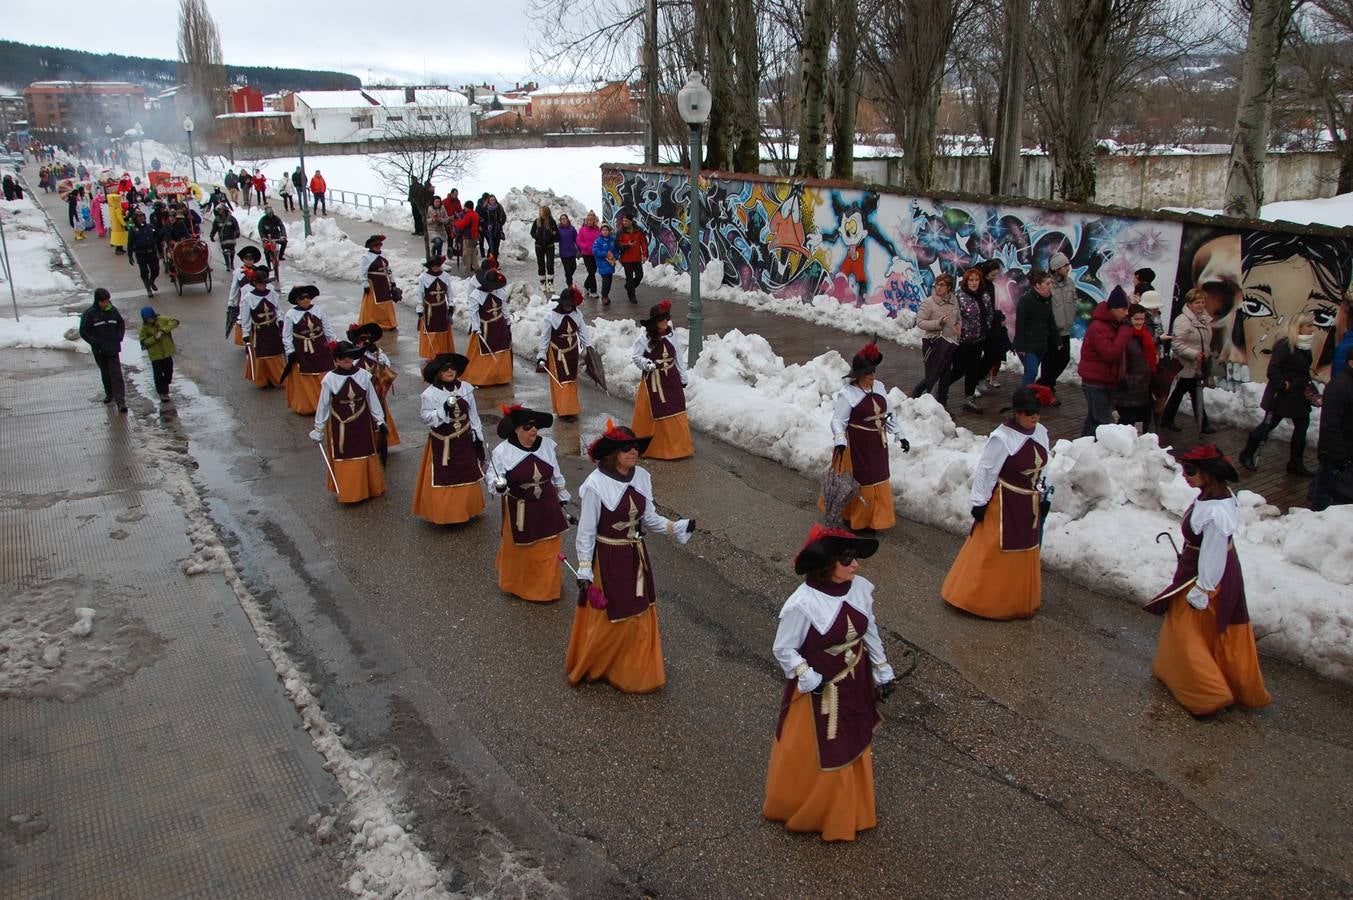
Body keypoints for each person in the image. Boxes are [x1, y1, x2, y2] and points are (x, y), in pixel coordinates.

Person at [763, 525, 897, 842]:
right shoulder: (802, 604)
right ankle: (820, 813)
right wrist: (809, 677)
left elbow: (869, 630)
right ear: (827, 564)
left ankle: (852, 809)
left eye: (855, 559)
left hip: (855, 682)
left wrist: (882, 669)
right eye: (848, 560)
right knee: (826, 750)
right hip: (820, 693)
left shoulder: (859, 588)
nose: (856, 565)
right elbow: (783, 648)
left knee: (854, 742)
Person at [566, 420, 695, 693]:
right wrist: (585, 567)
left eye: (635, 447)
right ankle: (600, 665)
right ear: (613, 454)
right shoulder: (595, 485)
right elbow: (586, 531)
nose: (633, 452)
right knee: (614, 615)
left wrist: (674, 527)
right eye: (626, 449)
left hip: (636, 556)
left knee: (640, 611)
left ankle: (635, 671)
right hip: (608, 557)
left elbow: (648, 517)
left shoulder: (641, 477)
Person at [1144, 445, 1271, 716]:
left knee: (1186, 629)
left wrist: (1203, 589)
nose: (1185, 475)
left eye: (1191, 471)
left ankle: (1207, 694)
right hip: (1206, 567)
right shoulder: (1217, 497)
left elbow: (1213, 552)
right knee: (1205, 630)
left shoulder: (1216, 514)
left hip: (1206, 575)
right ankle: (1204, 680)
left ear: (1210, 474)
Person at [941, 386, 1052, 619]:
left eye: (1037, 412)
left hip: (1028, 504)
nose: (1034, 417)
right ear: (1017, 413)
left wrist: (1045, 495)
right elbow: (987, 470)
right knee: (994, 548)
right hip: (1004, 502)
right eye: (1029, 412)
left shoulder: (1040, 431)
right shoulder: (1002, 438)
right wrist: (979, 502)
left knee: (1024, 549)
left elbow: (1044, 468)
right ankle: (979, 600)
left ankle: (1016, 601)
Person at [488, 405, 571, 602]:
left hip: (547, 503)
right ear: (516, 429)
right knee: (525, 552)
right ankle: (522, 587)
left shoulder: (547, 445)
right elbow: (493, 478)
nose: (533, 430)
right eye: (527, 426)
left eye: (535, 426)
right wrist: (498, 486)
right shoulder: (502, 452)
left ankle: (546, 588)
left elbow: (555, 472)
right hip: (521, 510)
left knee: (548, 549)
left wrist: (562, 491)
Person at [826, 342, 909, 531]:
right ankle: (858, 518)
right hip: (858, 445)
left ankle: (876, 520)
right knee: (864, 479)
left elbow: (887, 415)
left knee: (880, 476)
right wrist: (840, 440)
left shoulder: (879, 387)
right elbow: (838, 420)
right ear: (859, 375)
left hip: (879, 444)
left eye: (874, 372)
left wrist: (900, 435)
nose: (873, 376)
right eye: (869, 373)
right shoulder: (848, 394)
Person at [1239, 312, 1319, 475]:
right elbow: (1273, 370)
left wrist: (1310, 388)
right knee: (1268, 425)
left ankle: (1295, 463)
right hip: (1282, 396)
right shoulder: (1285, 344)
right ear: (1299, 327)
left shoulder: (1304, 345)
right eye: (1309, 325)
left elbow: (1302, 371)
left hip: (1299, 395)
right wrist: (1284, 386)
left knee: (1302, 426)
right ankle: (1247, 453)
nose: (1312, 329)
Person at [412, 352, 486, 525]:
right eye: (445, 368)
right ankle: (447, 515)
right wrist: (444, 409)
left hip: (465, 440)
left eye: (453, 368)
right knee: (445, 476)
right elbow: (425, 418)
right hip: (442, 443)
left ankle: (467, 510)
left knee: (467, 473)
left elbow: (473, 414)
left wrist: (478, 436)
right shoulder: (429, 394)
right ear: (438, 371)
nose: (450, 371)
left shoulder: (466, 388)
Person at [311, 342, 387, 504]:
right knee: (346, 455)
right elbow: (323, 405)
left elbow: (372, 400)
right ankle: (350, 492)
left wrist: (380, 421)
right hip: (341, 425)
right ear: (336, 360)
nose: (347, 360)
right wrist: (319, 428)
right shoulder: (330, 379)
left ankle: (368, 488)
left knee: (365, 452)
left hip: (362, 423)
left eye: (349, 357)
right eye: (342, 357)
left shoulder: (363, 375)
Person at [630, 300, 694, 459]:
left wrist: (682, 376)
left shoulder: (672, 335)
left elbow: (677, 356)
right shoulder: (644, 337)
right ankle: (656, 448)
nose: (665, 322)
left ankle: (679, 448)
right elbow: (636, 356)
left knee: (676, 408)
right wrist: (647, 363)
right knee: (654, 411)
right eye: (661, 319)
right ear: (654, 322)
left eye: (666, 318)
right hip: (653, 381)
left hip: (671, 378)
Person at [1077, 287, 1134, 437]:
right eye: (1123, 309)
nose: (1126, 313)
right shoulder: (1099, 327)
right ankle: (1107, 454)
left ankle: (1079, 449)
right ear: (1114, 308)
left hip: (1103, 380)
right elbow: (1110, 353)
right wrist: (1125, 331)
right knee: (1104, 422)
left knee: (1093, 420)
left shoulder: (1112, 324)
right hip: (1095, 382)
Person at [1161, 289, 1216, 434]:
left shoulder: (1204, 319)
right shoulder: (1182, 320)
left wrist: (1206, 354)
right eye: (1197, 302)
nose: (1201, 305)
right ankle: (1202, 424)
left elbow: (1205, 341)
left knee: (1182, 391)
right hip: (1187, 363)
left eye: (1203, 302)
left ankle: (1167, 418)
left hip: (1199, 363)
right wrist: (1194, 354)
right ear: (1190, 304)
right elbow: (1177, 344)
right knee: (1193, 391)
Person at [281, 285, 337, 416]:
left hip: (320, 346)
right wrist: (290, 351)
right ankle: (310, 405)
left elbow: (327, 328)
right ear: (297, 300)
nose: (306, 300)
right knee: (306, 375)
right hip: (302, 349)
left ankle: (327, 402)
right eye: (302, 298)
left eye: (308, 297)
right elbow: (287, 335)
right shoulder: (291, 314)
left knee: (324, 372)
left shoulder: (318, 310)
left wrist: (335, 343)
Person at [537, 287, 592, 417]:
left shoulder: (577, 314)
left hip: (572, 352)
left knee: (571, 379)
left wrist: (588, 347)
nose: (568, 307)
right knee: (562, 381)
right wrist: (541, 354)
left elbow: (583, 331)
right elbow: (545, 336)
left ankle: (571, 409)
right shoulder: (551, 316)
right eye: (566, 305)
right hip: (557, 353)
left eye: (570, 305)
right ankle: (564, 411)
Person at [1312, 349, 1353, 509]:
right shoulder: (1339, 387)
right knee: (1325, 496)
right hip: (1337, 455)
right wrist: (1341, 458)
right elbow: (1330, 426)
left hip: (1345, 452)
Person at [348, 323, 401, 448]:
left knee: (380, 416)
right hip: (359, 396)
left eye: (368, 340)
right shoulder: (352, 355)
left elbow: (386, 365)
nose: (365, 342)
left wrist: (376, 355)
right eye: (362, 340)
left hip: (377, 393)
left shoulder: (376, 353)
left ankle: (380, 442)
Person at [463, 261, 513, 386]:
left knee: (501, 349)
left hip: (499, 325)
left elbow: (504, 306)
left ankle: (500, 376)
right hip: (485, 327)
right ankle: (482, 378)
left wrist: (507, 321)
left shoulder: (500, 292)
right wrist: (476, 328)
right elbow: (474, 312)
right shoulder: (476, 295)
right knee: (484, 352)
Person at [912, 274, 961, 403]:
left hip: (950, 342)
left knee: (944, 373)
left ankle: (941, 399)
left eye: (942, 285)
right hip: (935, 342)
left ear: (949, 287)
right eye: (937, 285)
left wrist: (958, 329)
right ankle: (922, 391)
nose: (938, 288)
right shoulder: (929, 302)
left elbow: (958, 318)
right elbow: (920, 322)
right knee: (937, 370)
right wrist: (938, 323)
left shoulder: (954, 301)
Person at [947, 267, 990, 412]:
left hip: (978, 340)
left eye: (976, 280)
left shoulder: (984, 296)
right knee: (959, 369)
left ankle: (969, 398)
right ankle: (942, 388)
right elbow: (953, 317)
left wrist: (985, 328)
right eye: (971, 280)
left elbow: (988, 313)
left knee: (973, 370)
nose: (974, 283)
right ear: (966, 281)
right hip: (962, 341)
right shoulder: (959, 296)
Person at [79, 288, 127, 413]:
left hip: (113, 348)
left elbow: (121, 324)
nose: (106, 303)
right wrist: (95, 342)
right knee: (105, 373)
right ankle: (109, 393)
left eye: (107, 301)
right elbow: (84, 331)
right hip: (100, 350)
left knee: (116, 374)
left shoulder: (113, 310)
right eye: (104, 301)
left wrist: (118, 337)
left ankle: (120, 401)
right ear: (98, 301)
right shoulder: (89, 314)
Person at [1112, 303, 1157, 432]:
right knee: (1127, 423)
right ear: (1129, 318)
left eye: (1142, 319)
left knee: (1142, 421)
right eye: (1136, 319)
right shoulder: (1124, 336)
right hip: (1128, 388)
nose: (1140, 322)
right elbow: (1119, 361)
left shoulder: (1145, 334)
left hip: (1143, 387)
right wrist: (1128, 380)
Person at [238, 266, 286, 388]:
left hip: (273, 330)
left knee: (277, 353)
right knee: (263, 355)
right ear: (255, 283)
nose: (262, 286)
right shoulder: (249, 298)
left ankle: (279, 379)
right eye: (260, 283)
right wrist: (245, 334)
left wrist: (280, 322)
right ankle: (263, 380)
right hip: (260, 332)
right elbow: (246, 318)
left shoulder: (272, 294)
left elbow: (279, 310)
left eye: (264, 283)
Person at [1014, 270, 1055, 388]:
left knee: (1031, 371)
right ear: (1037, 285)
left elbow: (1050, 320)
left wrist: (1057, 339)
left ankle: (1028, 394)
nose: (1050, 286)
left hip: (1040, 343)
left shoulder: (1046, 300)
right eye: (1047, 284)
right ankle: (1023, 398)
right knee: (1031, 371)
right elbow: (1020, 324)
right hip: (1028, 344)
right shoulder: (1026, 300)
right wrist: (1020, 345)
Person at [416, 255, 456, 360]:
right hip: (430, 309)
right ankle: (432, 353)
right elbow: (420, 294)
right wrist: (420, 309)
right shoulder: (423, 277)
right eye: (434, 266)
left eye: (438, 266)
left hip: (442, 308)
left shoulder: (445, 276)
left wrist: (451, 305)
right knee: (432, 331)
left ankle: (442, 352)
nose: (436, 268)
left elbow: (449, 292)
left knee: (442, 330)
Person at [357, 234, 400, 331]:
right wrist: (365, 284)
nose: (378, 247)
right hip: (373, 284)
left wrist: (392, 281)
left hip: (384, 283)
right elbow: (362, 273)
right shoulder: (366, 257)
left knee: (386, 302)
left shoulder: (383, 255)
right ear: (371, 246)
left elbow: (388, 269)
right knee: (373, 306)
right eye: (376, 246)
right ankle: (372, 324)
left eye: (379, 245)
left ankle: (388, 323)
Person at [137, 306, 179, 403]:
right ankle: (163, 393)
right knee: (158, 375)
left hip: (167, 353)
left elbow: (175, 322)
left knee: (169, 372)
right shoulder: (144, 328)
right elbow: (143, 342)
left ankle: (166, 384)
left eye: (150, 318)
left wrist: (163, 331)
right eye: (147, 319)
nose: (149, 320)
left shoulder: (162, 320)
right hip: (155, 355)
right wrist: (154, 338)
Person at [227, 245, 263, 346]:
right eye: (247, 259)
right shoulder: (238, 272)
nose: (249, 261)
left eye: (251, 259)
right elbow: (234, 289)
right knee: (246, 319)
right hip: (244, 300)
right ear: (243, 259)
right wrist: (231, 302)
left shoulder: (258, 271)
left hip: (257, 299)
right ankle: (247, 339)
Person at [616, 213, 648, 304]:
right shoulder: (620, 231)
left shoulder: (639, 230)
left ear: (631, 221)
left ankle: (629, 287)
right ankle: (632, 296)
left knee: (639, 275)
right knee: (629, 278)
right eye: (623, 221)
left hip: (637, 258)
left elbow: (644, 243)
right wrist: (627, 245)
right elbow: (618, 244)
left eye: (626, 221)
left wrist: (645, 254)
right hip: (626, 259)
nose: (624, 222)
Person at [126, 211, 160, 297]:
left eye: (142, 216)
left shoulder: (150, 226)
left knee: (155, 270)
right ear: (135, 219)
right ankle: (148, 288)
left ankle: (151, 281)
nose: (141, 218)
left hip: (152, 252)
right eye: (139, 217)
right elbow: (130, 243)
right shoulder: (133, 229)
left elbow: (157, 237)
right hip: (141, 254)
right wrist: (130, 256)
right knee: (144, 272)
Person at [530, 205, 560, 294]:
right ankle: (542, 283)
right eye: (540, 211)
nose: (540, 212)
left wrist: (553, 234)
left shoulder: (552, 222)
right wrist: (537, 238)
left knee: (550, 264)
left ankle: (550, 284)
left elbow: (556, 233)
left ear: (546, 212)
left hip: (550, 246)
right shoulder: (537, 221)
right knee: (541, 264)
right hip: (539, 247)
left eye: (541, 211)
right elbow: (532, 232)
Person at [577, 211, 601, 298]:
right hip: (586, 253)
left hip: (595, 254)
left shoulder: (598, 230)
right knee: (591, 271)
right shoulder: (583, 229)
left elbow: (600, 240)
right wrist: (586, 247)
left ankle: (586, 286)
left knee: (593, 271)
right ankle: (593, 291)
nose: (589, 221)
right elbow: (579, 241)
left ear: (594, 220)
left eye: (591, 220)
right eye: (588, 220)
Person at [592, 222, 617, 306]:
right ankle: (604, 296)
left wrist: (615, 256)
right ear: (601, 231)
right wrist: (605, 254)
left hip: (611, 263)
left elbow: (616, 250)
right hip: (602, 264)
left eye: (606, 230)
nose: (605, 231)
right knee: (606, 280)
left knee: (609, 281)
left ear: (609, 231)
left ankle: (606, 295)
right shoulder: (598, 241)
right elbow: (595, 251)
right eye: (603, 230)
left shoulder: (613, 239)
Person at [210, 204, 240, 270]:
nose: (220, 211)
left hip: (231, 237)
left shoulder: (231, 218)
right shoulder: (217, 219)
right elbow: (214, 228)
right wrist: (212, 235)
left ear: (224, 210)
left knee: (232, 251)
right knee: (225, 251)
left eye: (221, 210)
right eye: (219, 210)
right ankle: (228, 265)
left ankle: (231, 263)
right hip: (223, 238)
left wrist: (237, 232)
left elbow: (236, 226)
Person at [455, 201, 480, 274]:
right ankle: (478, 271)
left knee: (466, 256)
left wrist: (456, 221)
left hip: (468, 238)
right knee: (473, 256)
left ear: (466, 207)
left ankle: (468, 272)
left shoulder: (469, 215)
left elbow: (462, 224)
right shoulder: (475, 214)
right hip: (474, 237)